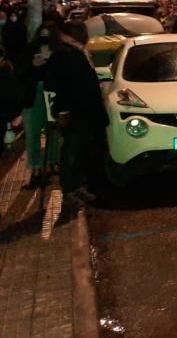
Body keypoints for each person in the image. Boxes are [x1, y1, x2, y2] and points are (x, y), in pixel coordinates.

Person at [44, 22, 108, 207]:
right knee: (72, 152)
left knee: (80, 151)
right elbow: (56, 85)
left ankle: (77, 185)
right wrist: (61, 112)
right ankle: (69, 190)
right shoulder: (64, 53)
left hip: (85, 111)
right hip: (75, 112)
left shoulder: (76, 51)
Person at [15, 25, 62, 188]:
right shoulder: (29, 51)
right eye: (41, 35)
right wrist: (33, 66)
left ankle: (53, 162)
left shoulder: (59, 52)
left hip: (52, 94)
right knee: (32, 133)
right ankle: (35, 168)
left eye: (47, 35)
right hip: (33, 94)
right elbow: (20, 73)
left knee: (53, 131)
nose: (44, 38)